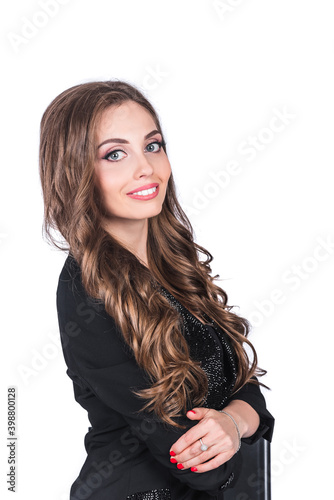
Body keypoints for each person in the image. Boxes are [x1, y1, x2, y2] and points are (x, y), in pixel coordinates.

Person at [39, 80, 274, 500]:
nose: (145, 167)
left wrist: (234, 422)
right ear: (76, 173)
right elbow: (192, 461)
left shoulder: (175, 264)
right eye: (114, 154)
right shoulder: (85, 289)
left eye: (152, 146)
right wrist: (236, 426)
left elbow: (244, 385)